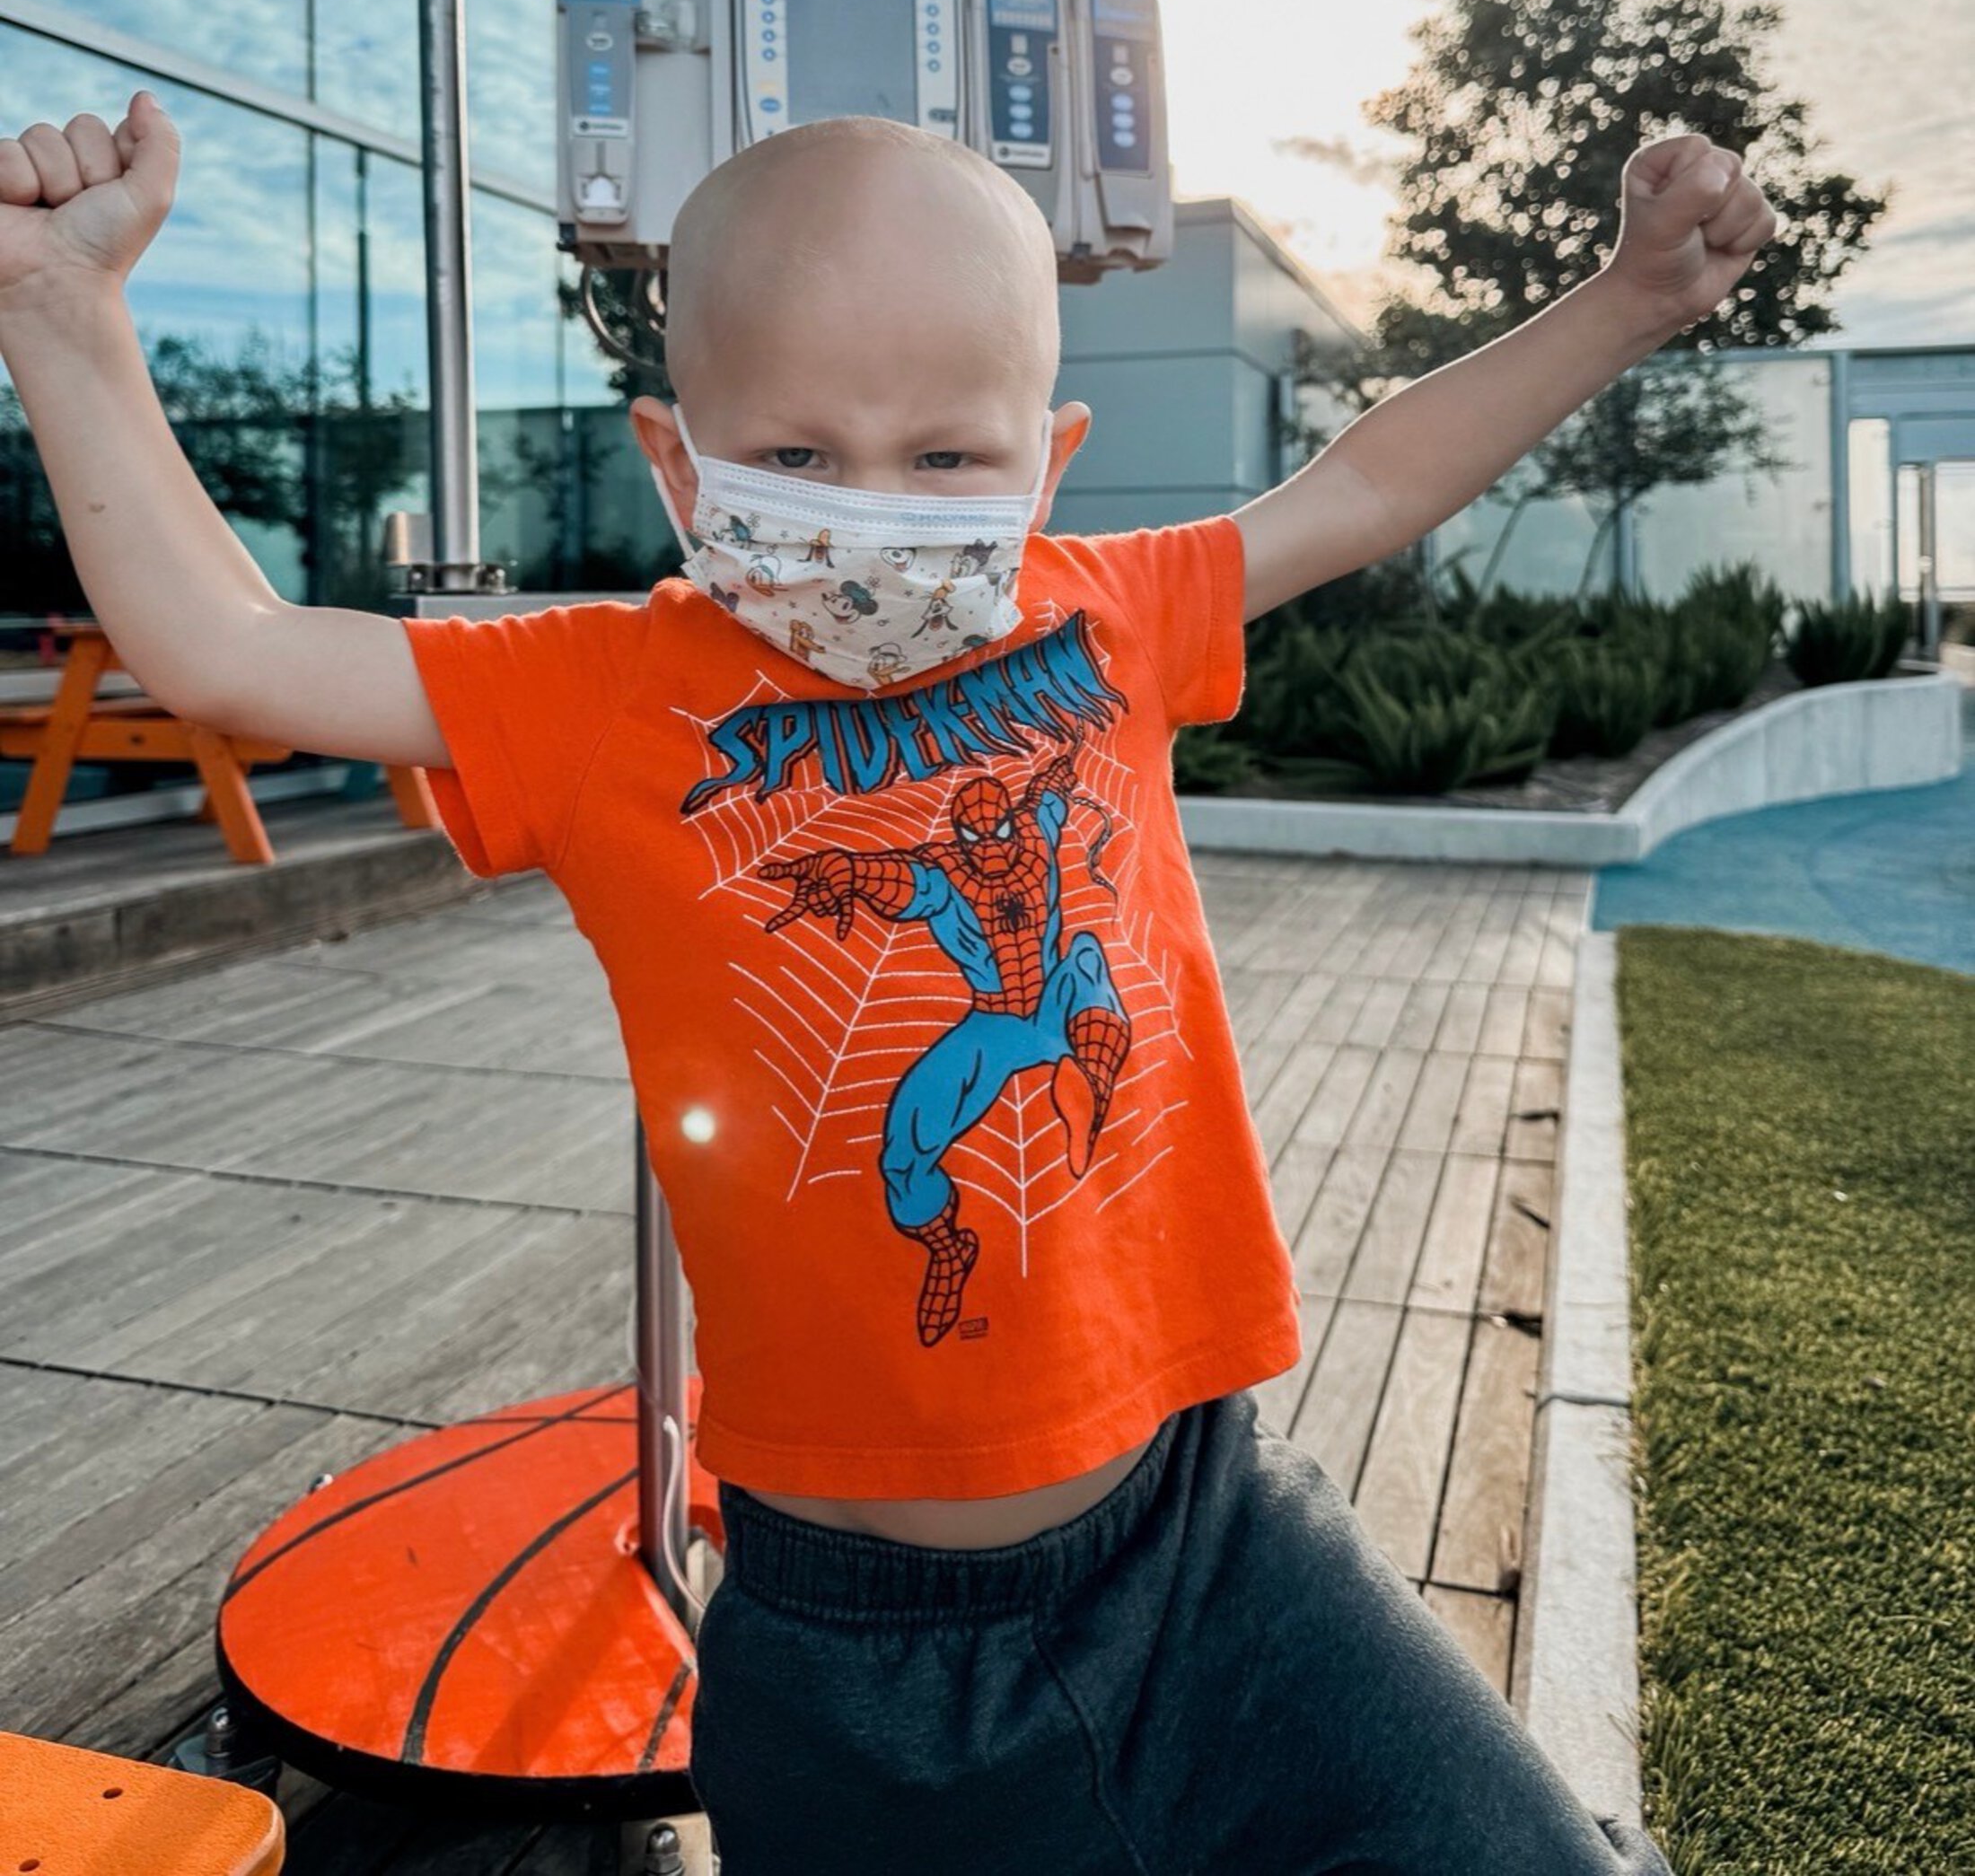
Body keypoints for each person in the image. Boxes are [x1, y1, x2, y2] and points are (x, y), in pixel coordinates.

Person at [0, 91, 1776, 1872]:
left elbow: (1370, 475)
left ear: (1048, 454)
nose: (874, 511)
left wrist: (1620, 299)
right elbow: (233, 648)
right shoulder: (594, 692)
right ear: (680, 464)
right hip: (851, 1639)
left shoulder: (1108, 611)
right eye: (799, 453)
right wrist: (64, 319)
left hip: (1211, 1532)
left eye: (944, 458)